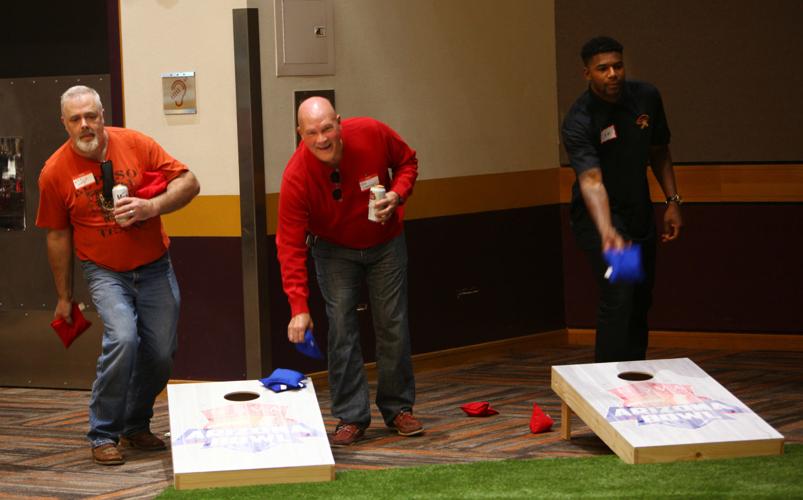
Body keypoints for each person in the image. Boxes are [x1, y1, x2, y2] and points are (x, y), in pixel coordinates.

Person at [36, 85, 200, 465]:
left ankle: (135, 423)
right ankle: (103, 431)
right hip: (104, 271)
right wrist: (64, 296)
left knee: (160, 353)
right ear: (64, 123)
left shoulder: (137, 143)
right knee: (123, 337)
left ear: (103, 115)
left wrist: (150, 207)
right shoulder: (54, 171)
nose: (85, 125)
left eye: (91, 116)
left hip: (155, 265)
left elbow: (189, 182)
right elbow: (58, 235)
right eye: (76, 119)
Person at [276, 96, 422, 446]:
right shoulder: (296, 177)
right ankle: (351, 416)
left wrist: (398, 195)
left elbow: (408, 162)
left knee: (392, 323)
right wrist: (298, 308)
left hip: (385, 242)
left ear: (339, 122)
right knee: (341, 327)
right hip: (333, 250)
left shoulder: (371, 132)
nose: (322, 139)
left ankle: (398, 407)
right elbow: (289, 245)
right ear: (300, 134)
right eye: (312, 133)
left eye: (327, 128)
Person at [561, 36, 682, 363]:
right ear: (587, 73)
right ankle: (609, 382)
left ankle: (634, 372)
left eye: (617, 65)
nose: (613, 73)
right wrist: (607, 230)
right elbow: (591, 179)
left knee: (641, 297)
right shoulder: (580, 119)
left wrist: (672, 200)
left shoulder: (646, 97)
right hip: (601, 218)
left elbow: (659, 150)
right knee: (620, 293)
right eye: (603, 68)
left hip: (639, 211)